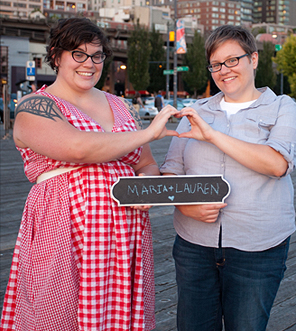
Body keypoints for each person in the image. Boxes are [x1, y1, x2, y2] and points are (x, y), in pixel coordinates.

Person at [1, 17, 179, 330]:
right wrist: (149, 132)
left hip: (124, 234)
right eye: (78, 54)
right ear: (56, 56)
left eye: (97, 55)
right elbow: (78, 148)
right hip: (63, 230)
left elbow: (145, 163)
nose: (89, 63)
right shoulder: (35, 105)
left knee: (119, 315)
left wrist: (145, 187)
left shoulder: (119, 105)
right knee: (57, 313)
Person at [160, 25, 296, 330]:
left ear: (253, 59)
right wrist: (187, 206)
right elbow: (170, 173)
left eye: (232, 60)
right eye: (216, 64)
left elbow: (276, 164)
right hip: (193, 245)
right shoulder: (195, 112)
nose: (224, 70)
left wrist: (211, 135)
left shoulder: (282, 107)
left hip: (258, 248)